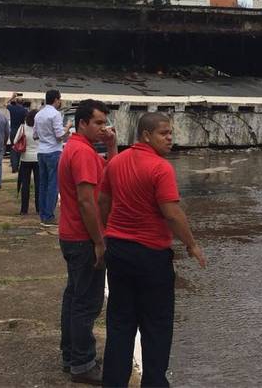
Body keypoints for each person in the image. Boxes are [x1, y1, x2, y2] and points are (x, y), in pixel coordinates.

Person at [98, 112, 206, 388]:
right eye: (164, 133)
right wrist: (191, 244)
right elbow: (171, 212)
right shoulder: (160, 168)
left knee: (120, 324)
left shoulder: (116, 162)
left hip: (119, 253)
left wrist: (108, 231)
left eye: (171, 133)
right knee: (156, 327)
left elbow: (103, 200)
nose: (170, 138)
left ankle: (113, 383)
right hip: (150, 257)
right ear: (146, 135)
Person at [56, 99, 118, 384]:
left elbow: (110, 174)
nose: (103, 128)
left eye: (105, 123)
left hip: (72, 235)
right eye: (98, 123)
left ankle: (72, 355)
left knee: (74, 298)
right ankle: (82, 363)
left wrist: (113, 146)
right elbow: (86, 201)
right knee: (87, 303)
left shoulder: (81, 148)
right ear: (82, 123)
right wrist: (99, 241)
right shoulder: (81, 152)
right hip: (83, 237)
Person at [34, 89, 67, 227]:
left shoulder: (39, 114)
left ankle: (43, 214)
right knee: (54, 184)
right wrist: (68, 128)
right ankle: (49, 216)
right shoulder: (56, 114)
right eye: (59, 99)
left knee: (43, 184)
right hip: (54, 151)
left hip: (41, 151)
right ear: (56, 100)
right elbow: (60, 136)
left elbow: (35, 135)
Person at [13, 109, 40, 214]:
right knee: (38, 184)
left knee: (25, 184)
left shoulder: (22, 127)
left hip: (25, 158)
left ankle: (24, 209)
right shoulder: (39, 128)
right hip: (38, 158)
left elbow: (15, 141)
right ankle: (39, 208)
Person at [6, 93, 28, 173]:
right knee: (20, 147)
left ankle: (13, 165)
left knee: (13, 148)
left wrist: (12, 97)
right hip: (21, 130)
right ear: (23, 102)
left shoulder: (12, 108)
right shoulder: (25, 110)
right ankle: (17, 165)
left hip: (13, 130)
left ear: (16, 102)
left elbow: (6, 104)